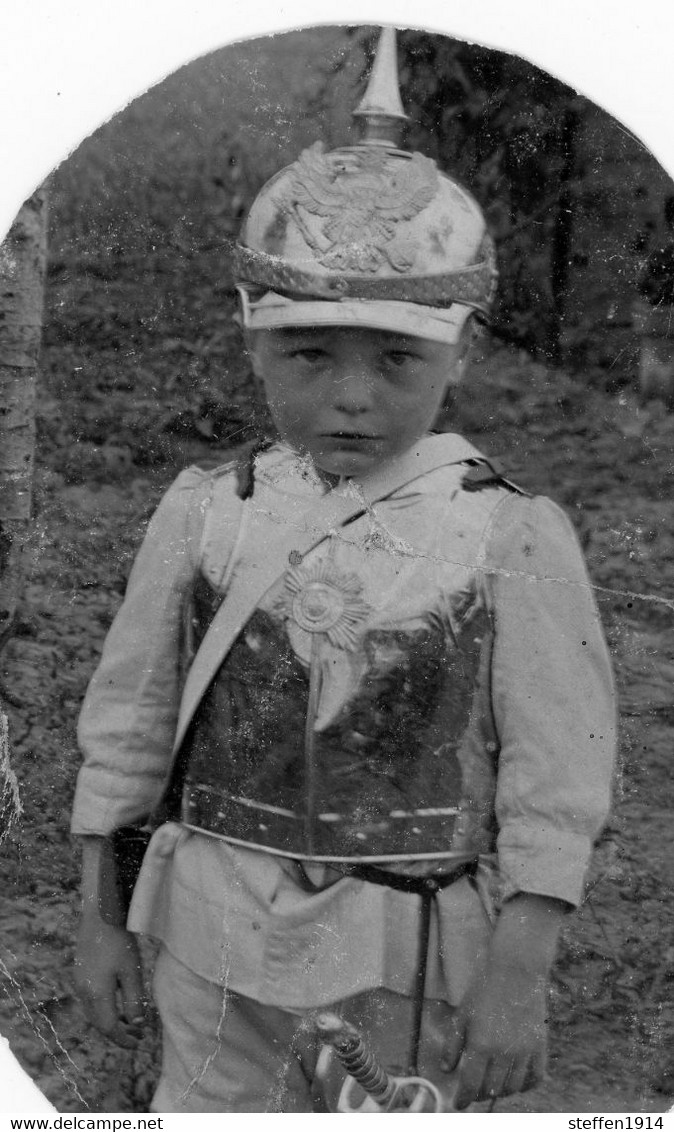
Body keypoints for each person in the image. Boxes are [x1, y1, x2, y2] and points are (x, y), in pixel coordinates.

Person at [71, 28, 616, 1113]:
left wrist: (514, 980)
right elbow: (129, 728)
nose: (351, 398)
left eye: (395, 358)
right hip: (208, 934)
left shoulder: (508, 536)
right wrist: (99, 917)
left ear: (458, 348)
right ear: (251, 338)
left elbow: (555, 787)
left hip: (401, 955)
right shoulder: (205, 511)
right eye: (309, 355)